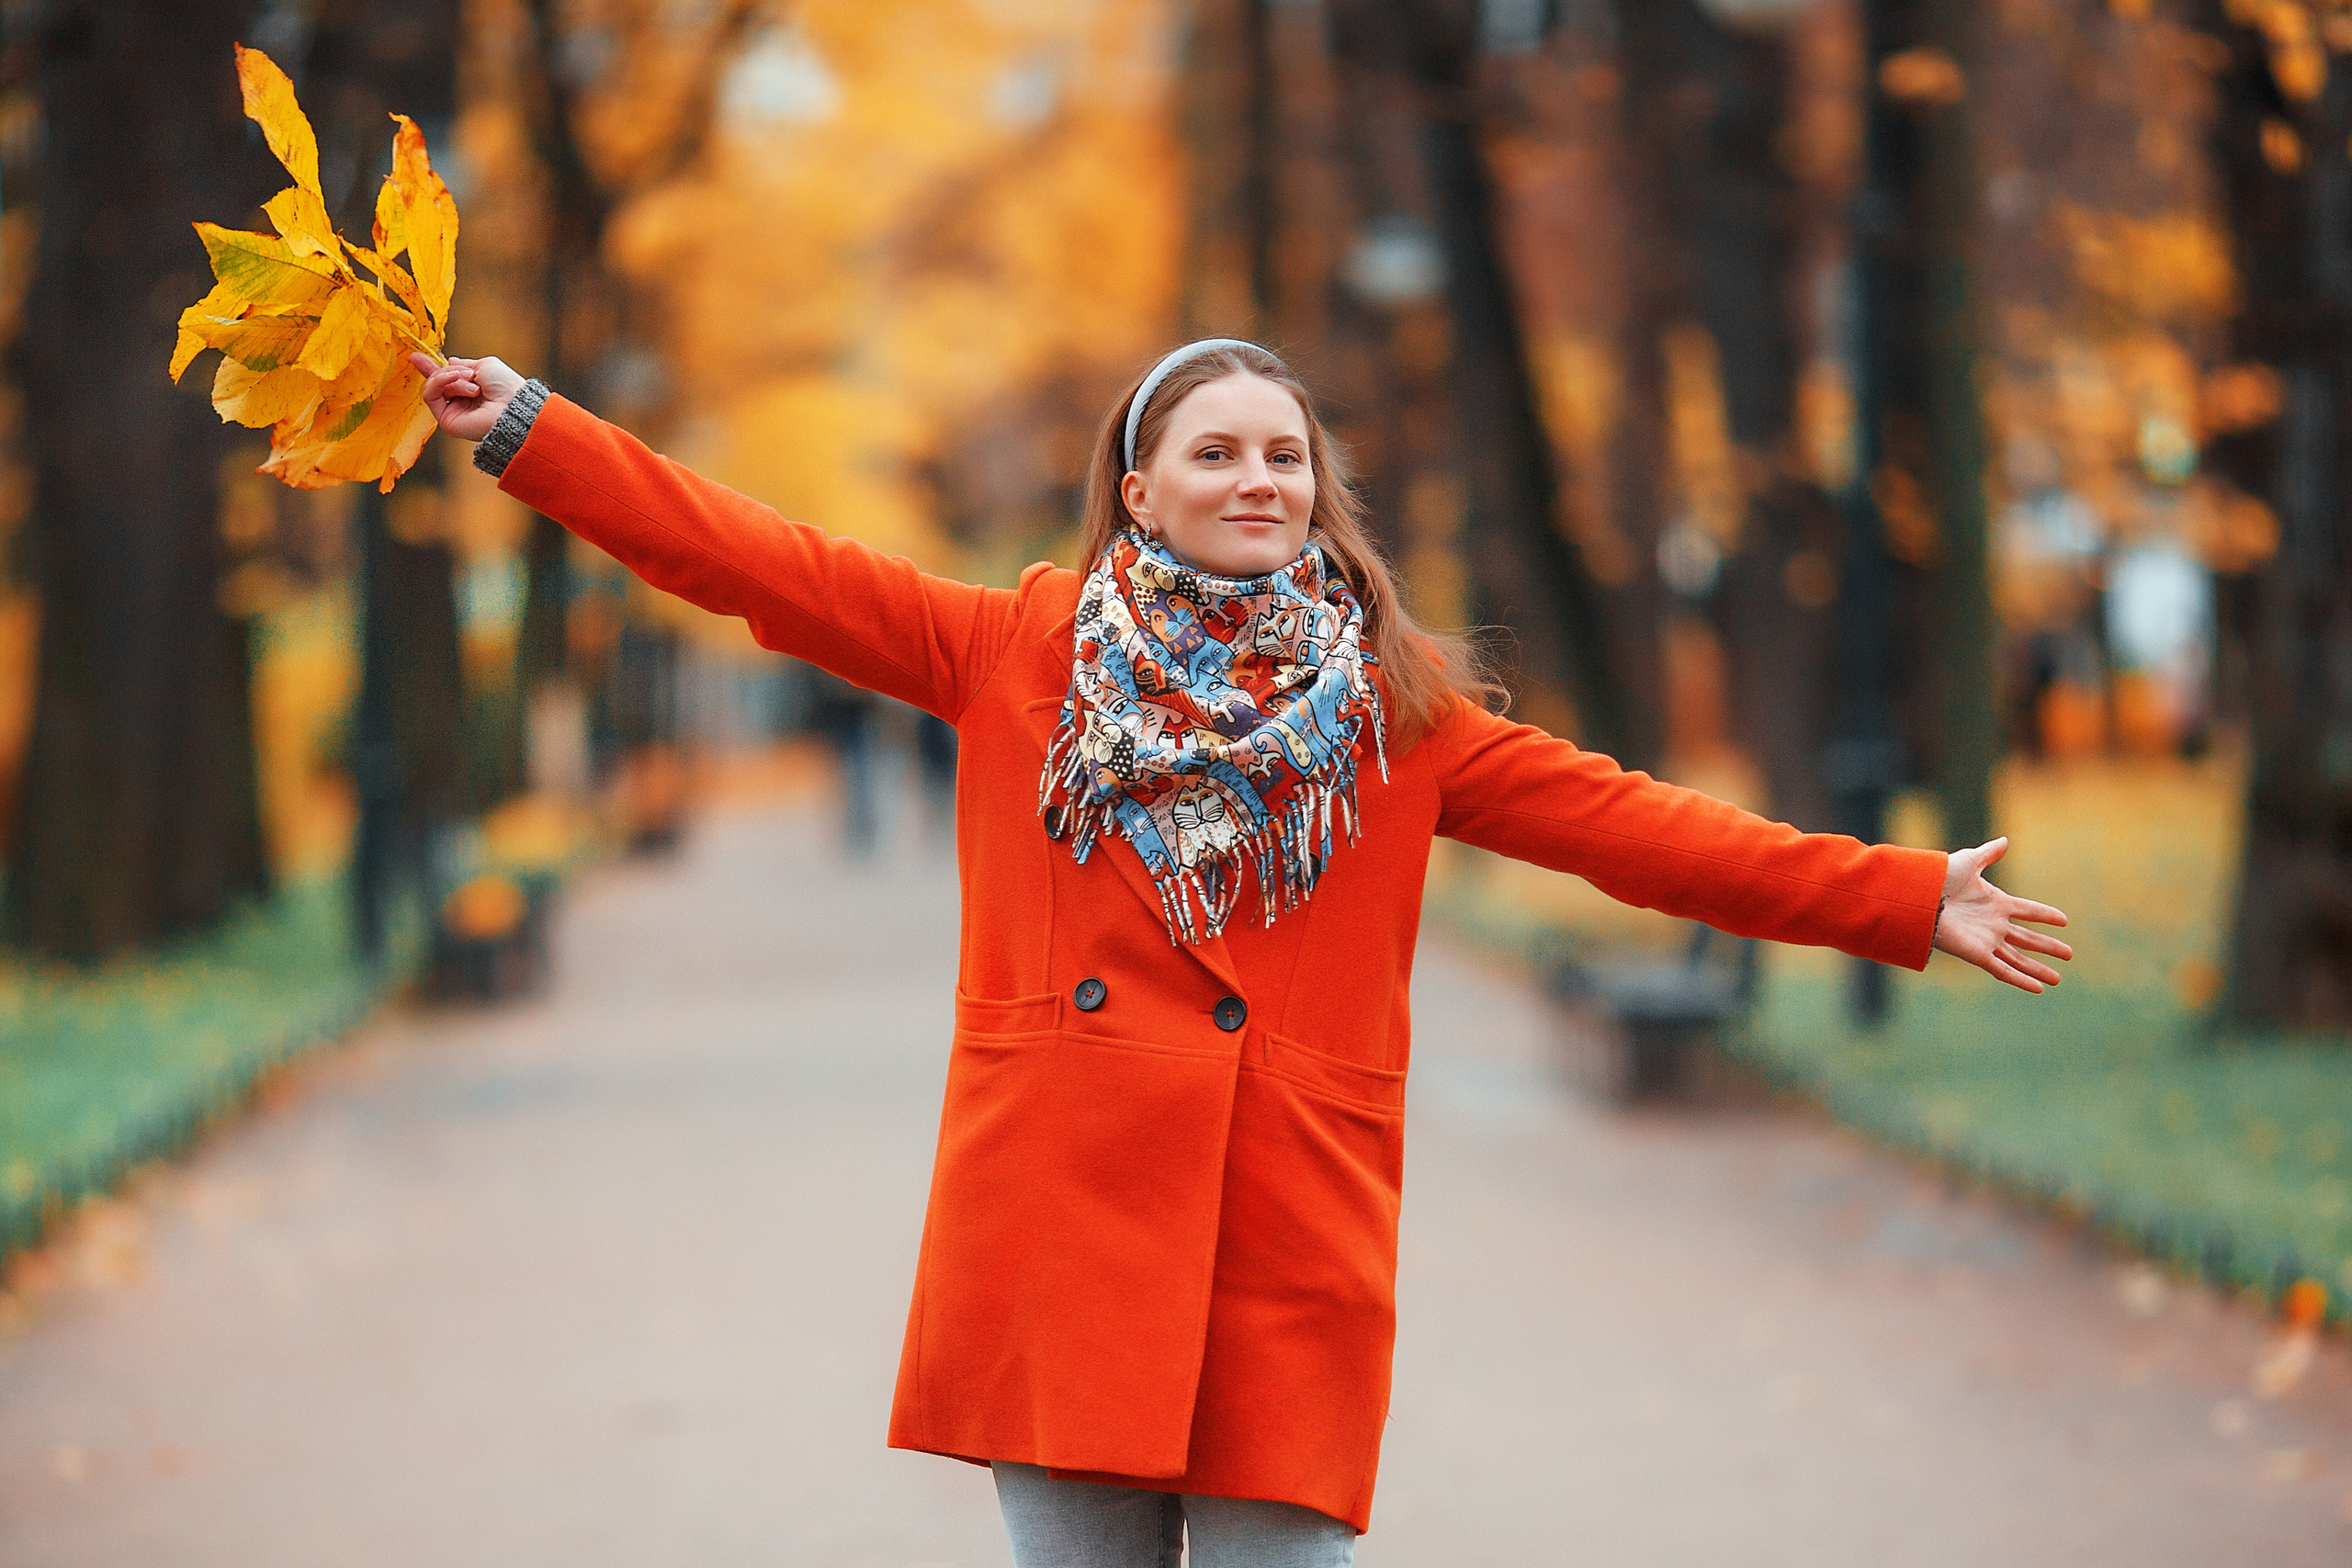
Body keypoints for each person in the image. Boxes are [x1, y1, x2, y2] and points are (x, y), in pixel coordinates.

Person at [410, 340, 2071, 1567]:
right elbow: (756, 561)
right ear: (1140, 487)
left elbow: (1638, 831)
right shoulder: (1012, 655)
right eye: (1216, 453)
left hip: (1286, 1225)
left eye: (1285, 453)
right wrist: (533, 436)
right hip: (1063, 1222)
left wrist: (1901, 896)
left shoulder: (1403, 716)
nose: (1259, 479)